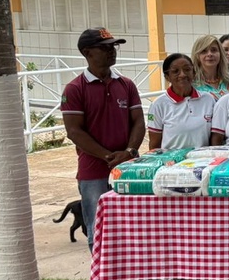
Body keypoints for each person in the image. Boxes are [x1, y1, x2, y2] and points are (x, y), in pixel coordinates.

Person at [60, 28, 145, 251]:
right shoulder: (75, 89)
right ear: (87, 52)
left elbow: (138, 122)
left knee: (134, 227)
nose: (112, 51)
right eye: (105, 47)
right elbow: (74, 132)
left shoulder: (126, 84)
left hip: (128, 168)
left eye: (113, 47)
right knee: (98, 230)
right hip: (93, 172)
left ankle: (136, 279)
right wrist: (107, 156)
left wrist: (129, 152)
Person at [147, 53, 215, 151]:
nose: (182, 74)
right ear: (167, 77)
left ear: (194, 72)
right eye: (175, 71)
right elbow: (154, 145)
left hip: (203, 161)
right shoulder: (158, 105)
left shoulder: (208, 99)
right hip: (172, 163)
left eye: (187, 69)